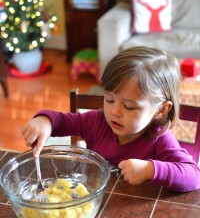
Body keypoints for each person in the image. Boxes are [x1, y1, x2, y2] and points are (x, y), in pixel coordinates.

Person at [22, 46, 200, 193]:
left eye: (129, 106)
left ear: (161, 110)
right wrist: (45, 120)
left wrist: (150, 170)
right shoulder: (97, 121)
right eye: (109, 99)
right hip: (97, 195)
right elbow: (61, 121)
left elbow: (194, 176)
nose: (115, 111)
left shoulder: (159, 139)